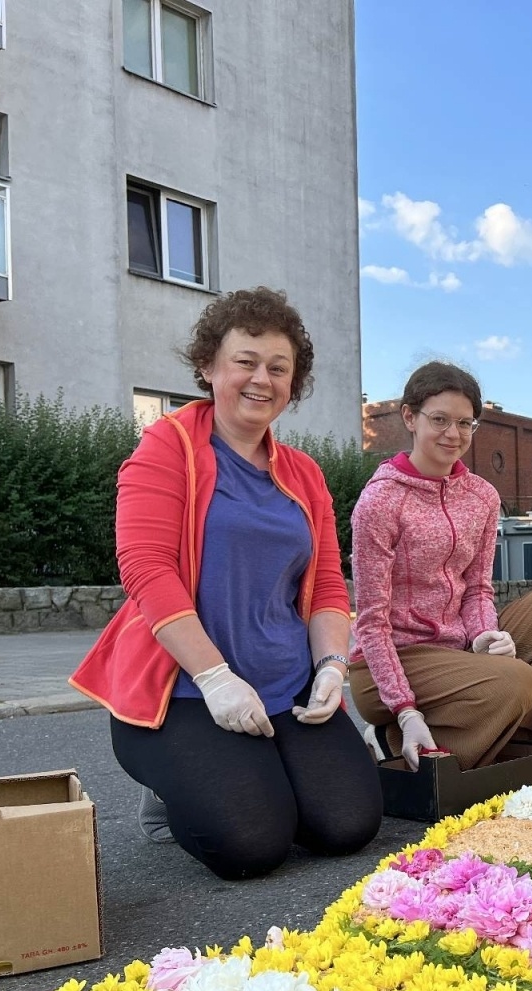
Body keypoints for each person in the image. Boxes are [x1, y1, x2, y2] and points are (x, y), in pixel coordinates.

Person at [71, 287, 382, 878]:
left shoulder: (304, 474)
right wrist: (215, 678)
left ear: (293, 382)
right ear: (209, 367)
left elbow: (326, 588)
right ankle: (168, 791)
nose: (261, 378)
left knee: (347, 825)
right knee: (251, 846)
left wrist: (333, 667)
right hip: (186, 690)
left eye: (278, 367)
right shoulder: (167, 447)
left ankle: (262, 768)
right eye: (245, 361)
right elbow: (146, 567)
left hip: (284, 681)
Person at [349, 361, 532, 770]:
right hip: (392, 662)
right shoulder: (380, 501)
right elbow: (372, 622)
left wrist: (485, 635)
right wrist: (404, 708)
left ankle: (519, 739)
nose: (453, 434)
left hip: (459, 653)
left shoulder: (482, 496)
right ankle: (392, 739)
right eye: (440, 419)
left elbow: (478, 589)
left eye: (465, 423)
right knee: (515, 681)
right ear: (410, 417)